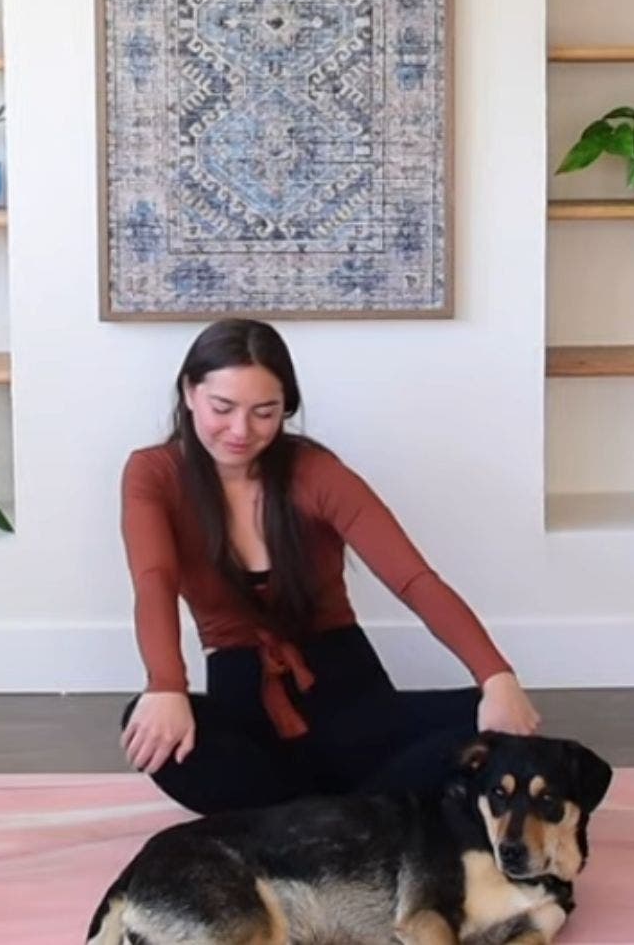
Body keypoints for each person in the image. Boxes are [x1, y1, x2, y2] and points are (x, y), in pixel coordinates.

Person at [118, 317, 542, 815]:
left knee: (505, 733)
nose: (240, 430)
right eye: (222, 408)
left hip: (349, 697)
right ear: (190, 392)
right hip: (248, 702)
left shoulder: (315, 472)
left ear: (285, 411)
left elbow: (412, 579)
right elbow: (155, 580)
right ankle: (353, 814)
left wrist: (496, 676)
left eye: (264, 413)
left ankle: (306, 821)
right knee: (148, 724)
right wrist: (165, 685)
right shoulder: (153, 473)